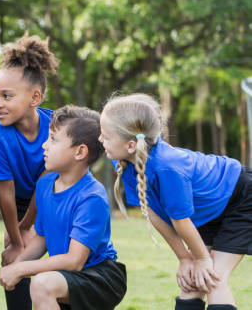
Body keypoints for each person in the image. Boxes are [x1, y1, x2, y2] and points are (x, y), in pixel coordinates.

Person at [100, 93, 251, 310]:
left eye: (105, 136)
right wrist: (185, 259)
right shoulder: (124, 163)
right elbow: (151, 212)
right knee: (192, 283)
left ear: (131, 144)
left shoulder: (167, 168)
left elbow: (180, 221)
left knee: (212, 279)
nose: (100, 140)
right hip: (208, 211)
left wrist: (201, 259)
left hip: (241, 197)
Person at [0, 105, 127, 310]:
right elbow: (41, 239)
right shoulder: (44, 185)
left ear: (80, 152)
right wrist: (15, 265)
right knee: (43, 281)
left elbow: (74, 261)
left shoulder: (91, 197)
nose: (44, 145)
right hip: (67, 277)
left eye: (53, 139)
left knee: (42, 283)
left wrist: (22, 268)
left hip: (99, 276)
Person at [0, 33, 59, 310]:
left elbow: (48, 183)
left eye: (7, 96)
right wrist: (16, 238)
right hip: (15, 201)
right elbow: (5, 195)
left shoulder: (56, 127)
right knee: (15, 258)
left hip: (54, 198)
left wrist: (29, 226)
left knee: (56, 256)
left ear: (35, 97)